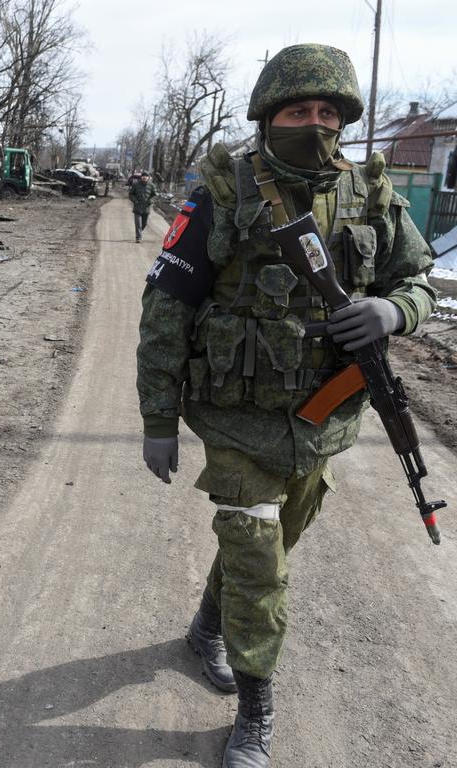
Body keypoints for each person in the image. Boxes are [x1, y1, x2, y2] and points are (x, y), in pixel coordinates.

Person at [135, 44, 436, 768]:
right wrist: (156, 418)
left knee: (269, 544)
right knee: (259, 560)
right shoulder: (220, 192)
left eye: (328, 112)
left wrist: (394, 313)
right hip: (237, 422)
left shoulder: (370, 194)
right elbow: (165, 310)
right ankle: (255, 710)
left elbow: (422, 278)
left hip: (325, 422)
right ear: (268, 116)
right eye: (299, 110)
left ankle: (207, 627)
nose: (315, 123)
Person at [129, 171, 157, 242]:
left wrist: (151, 201)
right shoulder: (136, 185)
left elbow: (155, 195)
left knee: (144, 224)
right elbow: (131, 194)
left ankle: (139, 232)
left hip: (146, 208)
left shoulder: (152, 185)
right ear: (141, 177)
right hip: (137, 207)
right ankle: (138, 237)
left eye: (146, 176)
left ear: (148, 177)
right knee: (138, 224)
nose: (144, 177)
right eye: (143, 176)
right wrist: (135, 200)